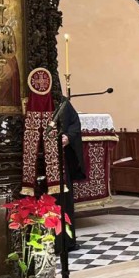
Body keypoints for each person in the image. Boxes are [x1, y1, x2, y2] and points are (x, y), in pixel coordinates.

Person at [54, 99, 85, 253]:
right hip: (39, 160)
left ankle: (66, 242)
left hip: (60, 158)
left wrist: (68, 136)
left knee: (64, 198)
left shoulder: (60, 101)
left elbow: (74, 122)